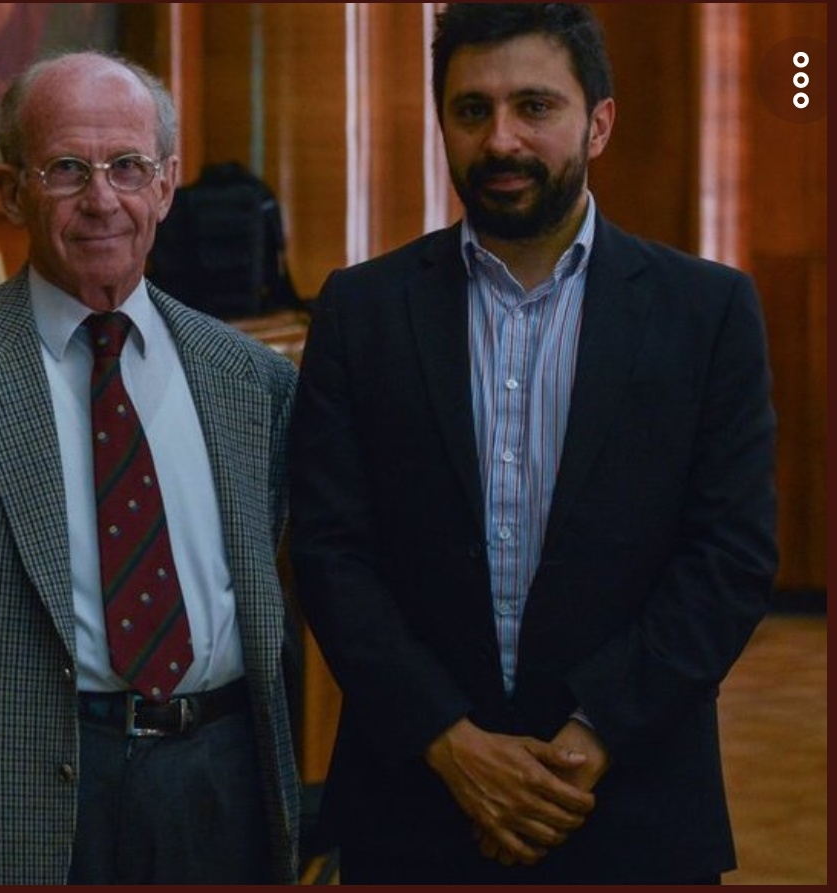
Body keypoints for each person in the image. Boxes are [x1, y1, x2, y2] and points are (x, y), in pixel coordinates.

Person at [288, 3, 778, 884]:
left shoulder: (706, 312)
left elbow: (729, 557)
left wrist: (589, 742)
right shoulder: (360, 311)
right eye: (471, 110)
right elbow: (331, 553)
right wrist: (452, 744)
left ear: (598, 120)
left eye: (535, 107)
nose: (501, 139)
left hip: (630, 805)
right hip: (413, 805)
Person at [0, 50, 301, 885]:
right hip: (11, 801)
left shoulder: (254, 380)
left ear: (166, 185)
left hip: (215, 787)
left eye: (127, 167)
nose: (101, 199)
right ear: (9, 190)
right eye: (66, 168)